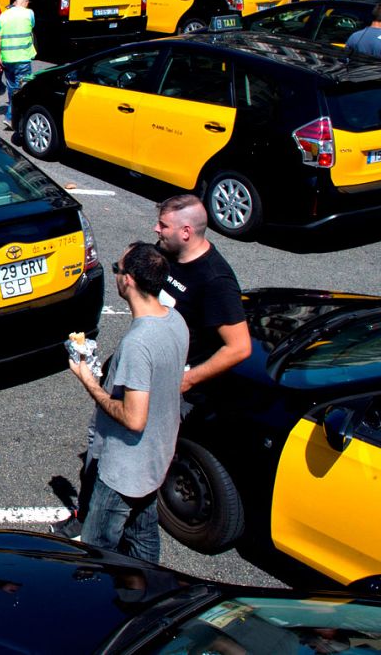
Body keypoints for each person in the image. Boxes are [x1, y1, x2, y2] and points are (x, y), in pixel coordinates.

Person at [70, 242, 188, 562]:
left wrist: (90, 383)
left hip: (125, 469)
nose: (116, 275)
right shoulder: (176, 321)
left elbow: (134, 418)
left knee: (97, 552)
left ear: (129, 280)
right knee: (141, 537)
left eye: (117, 269)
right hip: (156, 457)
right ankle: (149, 592)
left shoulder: (138, 343)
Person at [154, 195, 250, 392]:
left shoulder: (216, 281)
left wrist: (187, 380)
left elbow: (239, 347)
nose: (156, 229)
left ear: (186, 232)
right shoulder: (165, 253)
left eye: (163, 225)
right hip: (153, 362)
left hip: (178, 382)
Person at [0, 0, 37, 129]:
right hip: (23, 58)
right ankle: (12, 117)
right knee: (23, 90)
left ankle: (12, 116)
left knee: (12, 88)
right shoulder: (29, 13)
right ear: (25, 3)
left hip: (7, 59)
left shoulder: (3, 16)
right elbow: (32, 26)